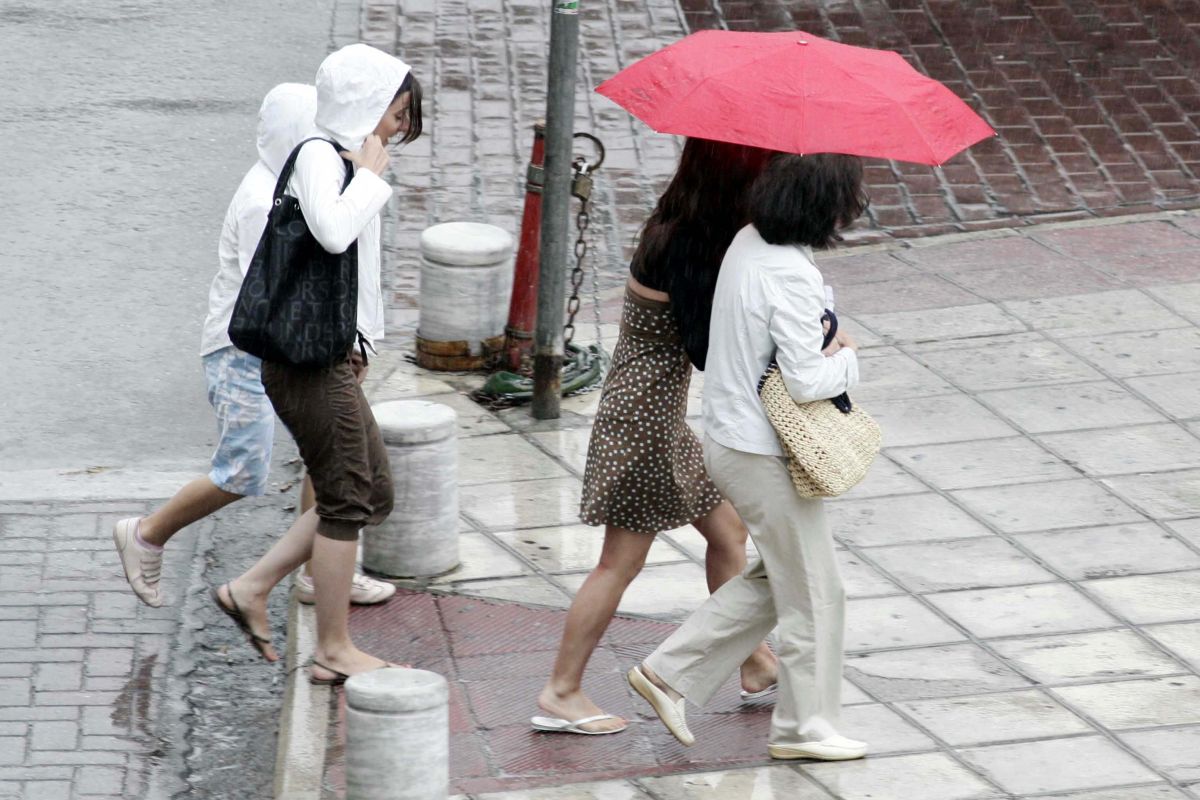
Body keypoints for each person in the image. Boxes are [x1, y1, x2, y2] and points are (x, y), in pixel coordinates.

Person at [111, 82, 395, 612]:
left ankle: (319, 572)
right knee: (243, 469)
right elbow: (275, 295)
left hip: (293, 347)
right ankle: (147, 533)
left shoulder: (299, 182)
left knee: (327, 454)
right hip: (244, 352)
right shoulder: (265, 199)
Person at [627, 152, 870, 761]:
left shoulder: (749, 240)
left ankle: (668, 672)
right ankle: (804, 728)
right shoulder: (787, 271)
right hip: (762, 452)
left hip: (732, 439)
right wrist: (848, 357)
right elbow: (808, 380)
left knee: (780, 575)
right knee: (817, 592)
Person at [533, 139, 779, 736]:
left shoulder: (680, 220)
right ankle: (561, 691)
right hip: (642, 426)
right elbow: (706, 349)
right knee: (618, 564)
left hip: (653, 418)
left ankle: (753, 661)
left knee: (728, 533)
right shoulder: (691, 243)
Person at [204, 44, 423, 683]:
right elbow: (332, 231)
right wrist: (371, 177)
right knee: (346, 499)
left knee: (371, 490)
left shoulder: (341, 160)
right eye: (397, 114)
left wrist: (363, 341)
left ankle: (252, 586)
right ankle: (332, 647)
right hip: (304, 363)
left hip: (329, 355)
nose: (398, 130)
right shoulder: (318, 156)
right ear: (366, 104)